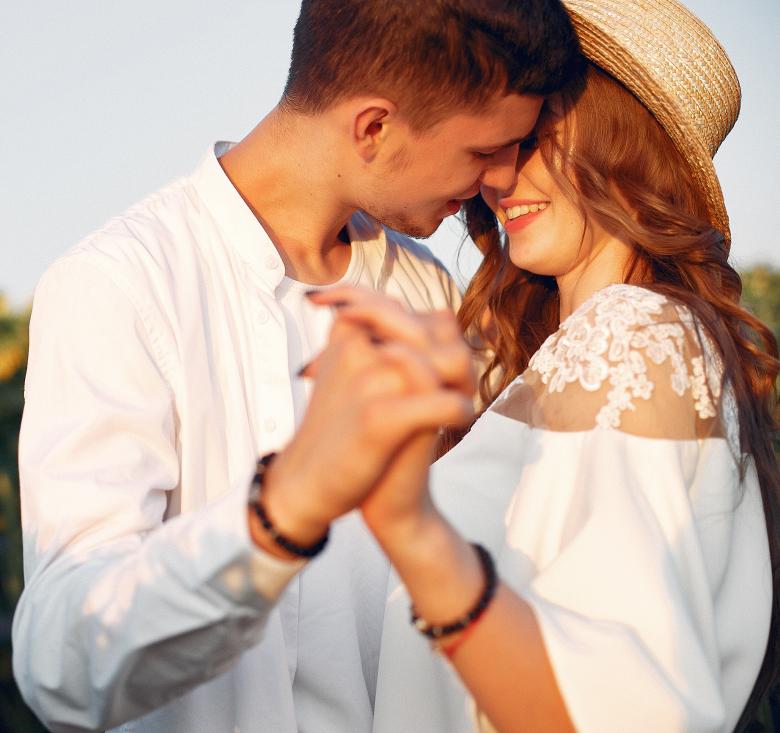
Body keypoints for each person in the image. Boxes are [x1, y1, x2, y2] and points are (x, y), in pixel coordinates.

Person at [11, 2, 582, 731]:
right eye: (484, 151)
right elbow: (61, 663)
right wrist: (284, 508)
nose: (503, 176)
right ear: (373, 128)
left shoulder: (431, 296)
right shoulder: (119, 285)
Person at [268, 0, 779, 730]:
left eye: (533, 136)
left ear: (625, 144)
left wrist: (412, 530)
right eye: (497, 140)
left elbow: (619, 710)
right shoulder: (582, 351)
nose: (500, 175)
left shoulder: (632, 335)